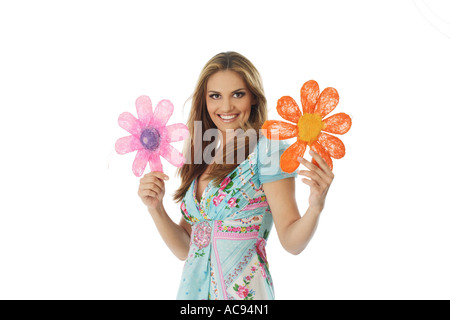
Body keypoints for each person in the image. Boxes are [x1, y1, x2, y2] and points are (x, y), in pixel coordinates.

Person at [137, 51, 334, 300]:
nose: (226, 106)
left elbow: (292, 242)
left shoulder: (269, 152)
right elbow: (188, 248)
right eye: (215, 96)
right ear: (205, 100)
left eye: (237, 94)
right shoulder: (203, 154)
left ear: (253, 97)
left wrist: (315, 207)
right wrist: (155, 208)